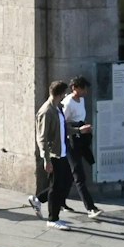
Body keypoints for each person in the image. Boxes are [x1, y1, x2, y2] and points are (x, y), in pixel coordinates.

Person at [30, 80, 75, 229]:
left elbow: (62, 128)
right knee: (56, 187)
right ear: (60, 94)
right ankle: (53, 218)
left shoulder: (58, 108)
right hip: (54, 155)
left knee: (66, 181)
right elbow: (41, 138)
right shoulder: (46, 111)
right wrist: (46, 159)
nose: (65, 95)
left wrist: (79, 131)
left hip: (62, 152)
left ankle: (38, 199)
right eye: (64, 93)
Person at [63, 76, 103, 219]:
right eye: (83, 88)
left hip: (81, 140)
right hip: (72, 141)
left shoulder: (81, 100)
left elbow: (80, 117)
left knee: (68, 175)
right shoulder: (68, 103)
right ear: (74, 88)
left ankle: (44, 199)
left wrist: (85, 127)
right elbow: (63, 124)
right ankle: (90, 208)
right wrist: (78, 129)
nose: (85, 91)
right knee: (79, 176)